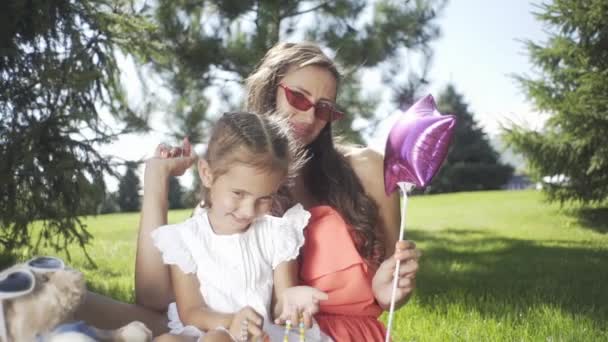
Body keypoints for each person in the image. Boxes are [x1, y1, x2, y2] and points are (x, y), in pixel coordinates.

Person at [75, 42, 420, 341]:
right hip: (255, 330)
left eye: (325, 108)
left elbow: (389, 292)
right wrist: (156, 184)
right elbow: (155, 299)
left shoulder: (366, 168)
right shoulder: (237, 187)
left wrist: (391, 291)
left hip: (337, 335)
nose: (310, 115)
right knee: (95, 308)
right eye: (298, 97)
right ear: (269, 92)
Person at [150, 111, 331, 342]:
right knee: (168, 341)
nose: (248, 211)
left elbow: (279, 305)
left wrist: (291, 304)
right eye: (238, 193)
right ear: (207, 174)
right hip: (207, 330)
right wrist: (231, 322)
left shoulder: (277, 234)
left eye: (265, 197)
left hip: (261, 335)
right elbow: (191, 313)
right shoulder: (185, 239)